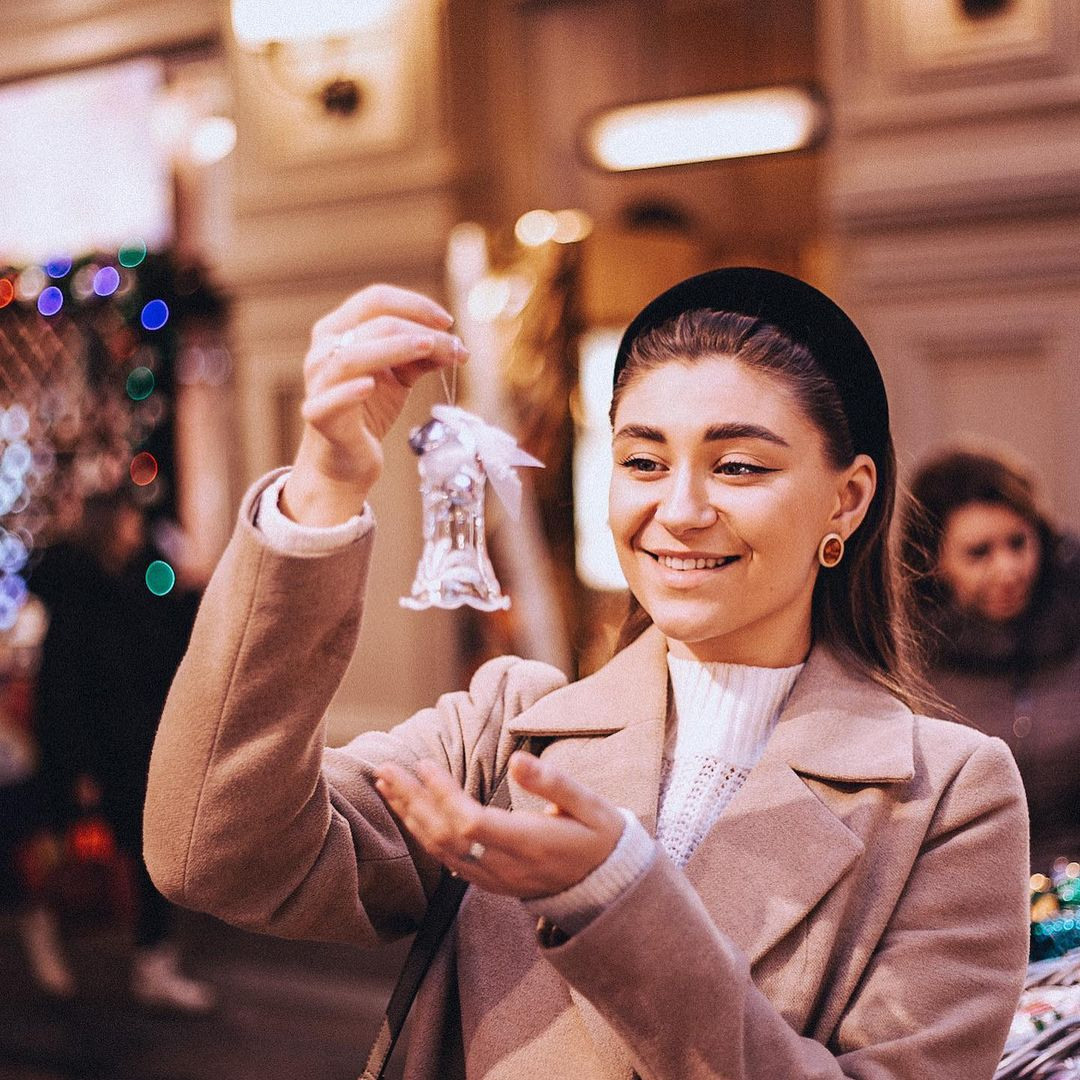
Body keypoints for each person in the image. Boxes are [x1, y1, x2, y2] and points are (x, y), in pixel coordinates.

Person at [144, 271, 1029, 1079]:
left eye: (738, 466)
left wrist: (619, 895)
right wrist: (324, 488)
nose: (677, 511)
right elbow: (214, 855)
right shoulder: (508, 730)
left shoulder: (946, 798)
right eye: (642, 461)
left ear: (848, 498)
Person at [24, 490, 214, 1010]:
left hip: (133, 745)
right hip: (82, 751)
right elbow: (64, 687)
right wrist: (78, 764)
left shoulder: (138, 583)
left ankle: (153, 963)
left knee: (147, 853)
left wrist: (194, 591)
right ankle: (45, 937)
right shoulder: (76, 593)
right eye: (130, 520)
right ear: (108, 525)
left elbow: (165, 652)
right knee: (62, 852)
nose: (138, 530)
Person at [903, 443, 1080, 871]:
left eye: (1018, 542)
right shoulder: (907, 663)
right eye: (979, 552)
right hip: (970, 897)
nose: (1008, 569)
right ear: (934, 562)